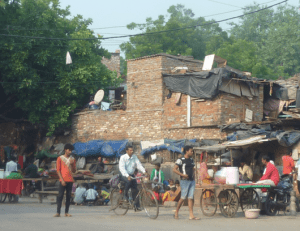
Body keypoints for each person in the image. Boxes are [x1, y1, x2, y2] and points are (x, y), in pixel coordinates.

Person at [173, 146, 199, 220]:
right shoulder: (180, 160)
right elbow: (174, 169)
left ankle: (191, 215)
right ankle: (176, 212)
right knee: (183, 198)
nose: (192, 152)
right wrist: (182, 175)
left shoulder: (191, 160)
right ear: (187, 151)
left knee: (190, 198)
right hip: (184, 181)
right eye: (191, 151)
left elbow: (193, 169)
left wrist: (196, 178)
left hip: (192, 181)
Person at [119, 146, 147, 210]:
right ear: (127, 151)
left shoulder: (134, 157)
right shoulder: (123, 157)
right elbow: (122, 168)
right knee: (128, 182)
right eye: (130, 150)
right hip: (124, 175)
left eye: (132, 150)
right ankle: (125, 196)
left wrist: (144, 171)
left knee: (135, 189)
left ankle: (136, 206)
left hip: (131, 175)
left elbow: (139, 165)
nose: (132, 151)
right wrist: (127, 176)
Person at [54, 144, 76, 217]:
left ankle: (66, 212)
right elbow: (58, 170)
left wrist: (72, 164)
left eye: (71, 150)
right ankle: (58, 212)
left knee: (68, 197)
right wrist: (61, 180)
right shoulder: (60, 158)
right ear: (65, 150)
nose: (70, 151)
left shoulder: (72, 159)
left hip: (70, 180)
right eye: (69, 150)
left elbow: (74, 171)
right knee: (60, 196)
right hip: (63, 180)